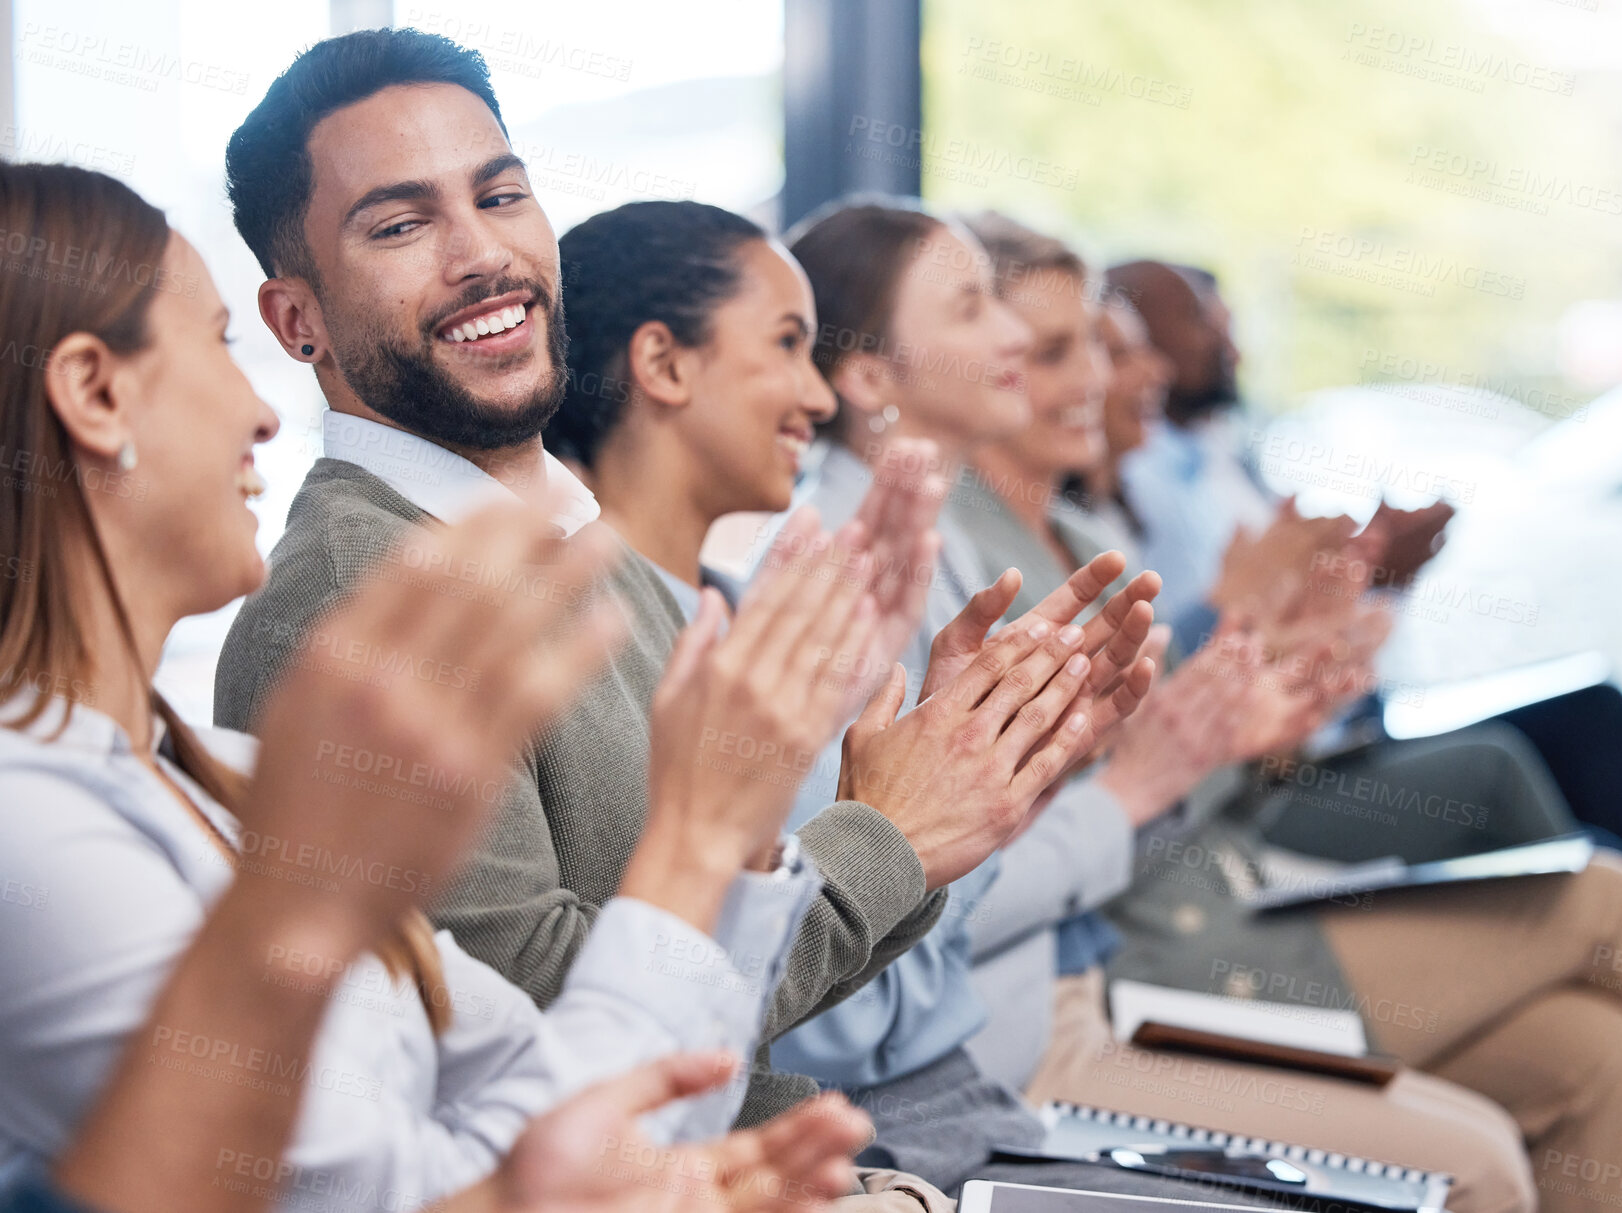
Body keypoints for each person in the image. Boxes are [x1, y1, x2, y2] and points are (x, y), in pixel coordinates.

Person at [206, 33, 1109, 1205]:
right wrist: (881, 838)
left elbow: (706, 941)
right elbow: (539, 1029)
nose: (482, 252)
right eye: (399, 224)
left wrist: (910, 809)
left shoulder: (572, 542)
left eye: (500, 193)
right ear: (296, 321)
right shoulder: (350, 603)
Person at [0, 161, 873, 1213]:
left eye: (502, 196)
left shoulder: (215, 773)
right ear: (96, 392)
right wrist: (706, 840)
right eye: (220, 343)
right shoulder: (38, 830)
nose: (262, 415)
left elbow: (540, 1094)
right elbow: (390, 1188)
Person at [959, 213, 1622, 1213]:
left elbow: (1175, 772)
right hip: (1145, 955)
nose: (1117, 376)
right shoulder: (984, 573)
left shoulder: (1075, 529)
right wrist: (1240, 674)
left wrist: (1276, 676)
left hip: (1200, 893)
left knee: (1598, 1050)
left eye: (1113, 349)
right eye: (1076, 350)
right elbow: (1067, 835)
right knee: (1601, 897)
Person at [1107, 260, 1622, 858]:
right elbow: (1217, 643)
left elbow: (1285, 616)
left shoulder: (1217, 458)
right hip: (1261, 769)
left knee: (1590, 714)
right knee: (1525, 768)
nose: (1228, 344)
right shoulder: (1149, 486)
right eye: (1198, 323)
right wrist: (1242, 602)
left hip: (1327, 721)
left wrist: (1374, 574)